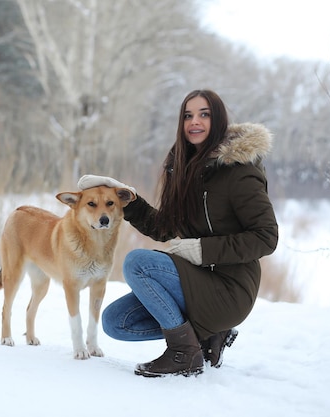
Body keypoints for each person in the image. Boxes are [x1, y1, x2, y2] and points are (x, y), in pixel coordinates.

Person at [77, 89, 278, 377]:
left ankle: (184, 353)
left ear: (218, 119)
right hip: (195, 279)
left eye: (203, 114)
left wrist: (201, 250)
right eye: (188, 115)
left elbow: (266, 237)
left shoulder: (239, 172)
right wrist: (126, 198)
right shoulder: (182, 168)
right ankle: (209, 337)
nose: (194, 122)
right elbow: (164, 228)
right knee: (115, 322)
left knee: (137, 262)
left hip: (229, 288)